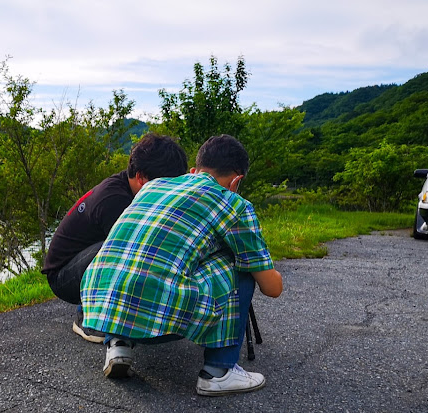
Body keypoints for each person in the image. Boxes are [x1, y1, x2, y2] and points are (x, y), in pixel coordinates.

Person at [80, 134, 283, 396]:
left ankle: (118, 345)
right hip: (156, 321)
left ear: (193, 170)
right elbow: (272, 288)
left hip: (98, 309)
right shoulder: (234, 204)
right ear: (236, 180)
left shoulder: (155, 186)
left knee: (135, 259)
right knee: (240, 265)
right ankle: (219, 372)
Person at [42, 133, 188, 343]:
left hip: (83, 260)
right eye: (164, 185)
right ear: (141, 177)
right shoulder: (114, 201)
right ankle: (89, 317)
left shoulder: (131, 189)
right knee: (123, 249)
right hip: (64, 276)